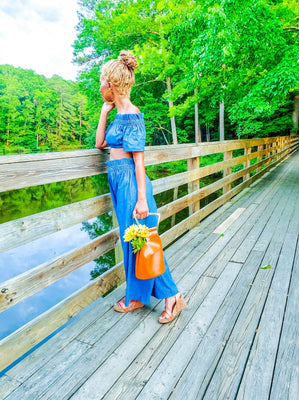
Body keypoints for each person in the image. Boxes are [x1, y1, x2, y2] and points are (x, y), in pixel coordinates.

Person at [95, 49, 187, 323]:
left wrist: (142, 199)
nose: (100, 86)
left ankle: (171, 296)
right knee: (134, 241)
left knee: (142, 241)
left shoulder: (133, 116)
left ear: (111, 84)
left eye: (102, 81)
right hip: (118, 179)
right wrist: (103, 112)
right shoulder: (117, 115)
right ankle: (138, 296)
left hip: (131, 184)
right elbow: (100, 144)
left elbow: (139, 161)